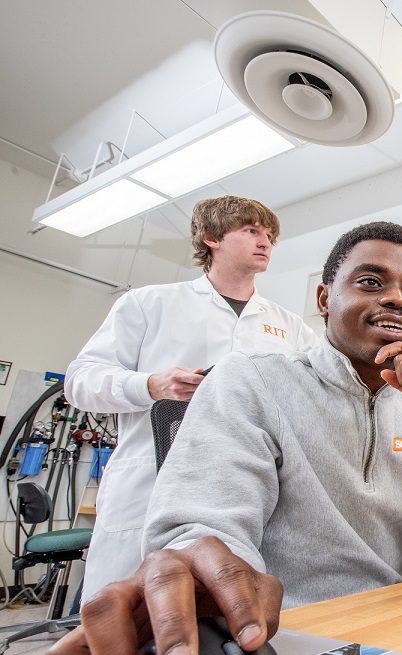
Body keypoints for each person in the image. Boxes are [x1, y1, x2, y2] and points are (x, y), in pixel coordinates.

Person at [43, 222, 402, 655]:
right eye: (372, 282)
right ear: (324, 298)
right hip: (281, 644)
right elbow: (208, 531)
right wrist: (200, 571)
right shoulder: (252, 381)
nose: (398, 299)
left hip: (393, 636)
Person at [64, 196, 316, 599]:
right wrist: (151, 385)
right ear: (212, 237)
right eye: (251, 230)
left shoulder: (290, 327)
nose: (265, 241)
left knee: (225, 622)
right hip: (151, 484)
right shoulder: (149, 303)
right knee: (125, 619)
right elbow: (79, 381)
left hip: (250, 492)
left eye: (269, 235)